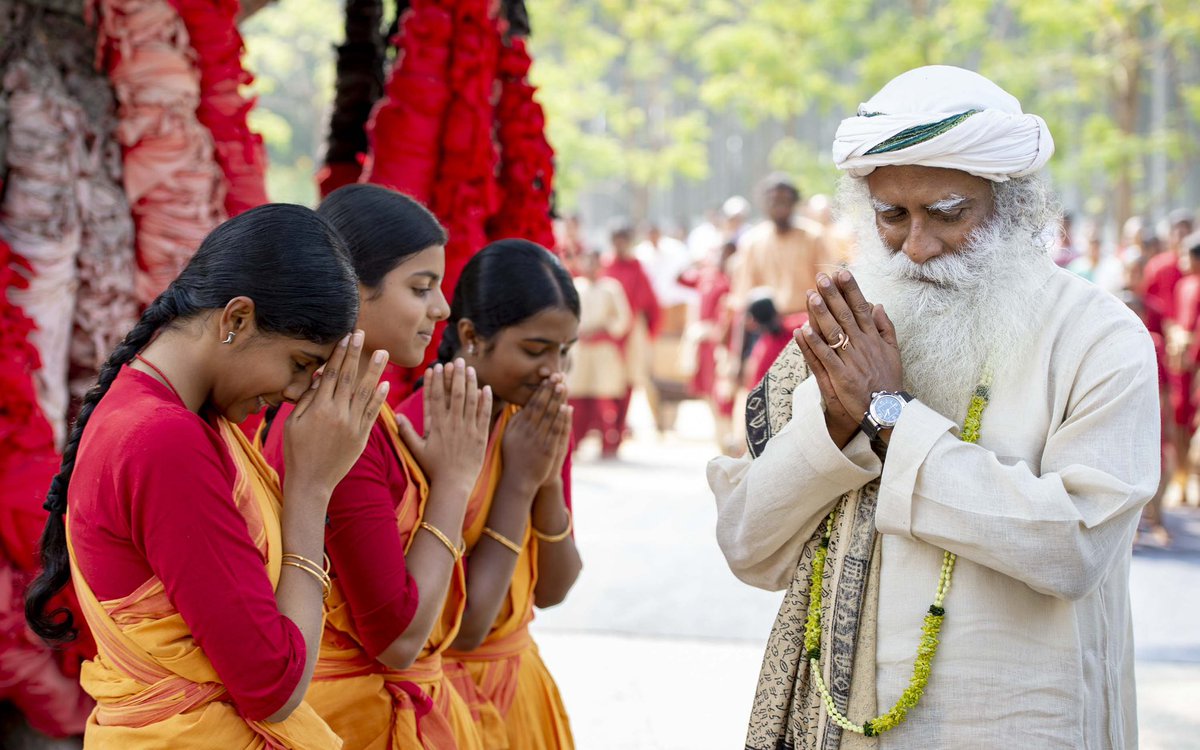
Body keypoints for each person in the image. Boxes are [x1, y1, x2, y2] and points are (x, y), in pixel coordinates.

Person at [710, 65, 1157, 749]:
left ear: (1013, 207)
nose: (917, 247)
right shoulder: (847, 330)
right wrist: (834, 426)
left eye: (948, 214)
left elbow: (1075, 545)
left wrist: (888, 418)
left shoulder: (1097, 335)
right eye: (892, 216)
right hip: (846, 726)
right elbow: (748, 546)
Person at [25, 204, 391, 747]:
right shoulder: (162, 438)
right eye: (298, 364)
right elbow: (274, 685)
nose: (295, 394)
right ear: (236, 320)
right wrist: (312, 488)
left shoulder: (172, 417)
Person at [260, 185, 494, 749]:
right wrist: (455, 484)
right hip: (350, 725)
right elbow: (397, 639)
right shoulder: (338, 430)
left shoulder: (368, 414)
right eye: (422, 287)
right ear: (352, 291)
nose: (441, 307)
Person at [439, 240, 581, 749]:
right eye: (535, 349)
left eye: (564, 351)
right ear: (472, 336)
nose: (554, 370)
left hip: (522, 692)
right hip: (443, 703)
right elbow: (466, 627)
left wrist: (544, 481)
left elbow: (554, 589)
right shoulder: (429, 429)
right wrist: (520, 480)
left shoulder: (533, 423)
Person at [568, 249, 633, 457]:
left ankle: (608, 444)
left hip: (604, 351)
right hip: (580, 350)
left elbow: (623, 319)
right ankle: (574, 443)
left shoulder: (611, 289)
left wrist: (603, 331)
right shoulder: (575, 287)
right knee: (577, 399)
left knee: (603, 399)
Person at [602, 220, 661, 442]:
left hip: (632, 331)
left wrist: (650, 333)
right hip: (608, 331)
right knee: (606, 378)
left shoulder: (636, 267)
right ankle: (607, 426)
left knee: (627, 379)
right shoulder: (605, 265)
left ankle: (619, 426)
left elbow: (650, 302)